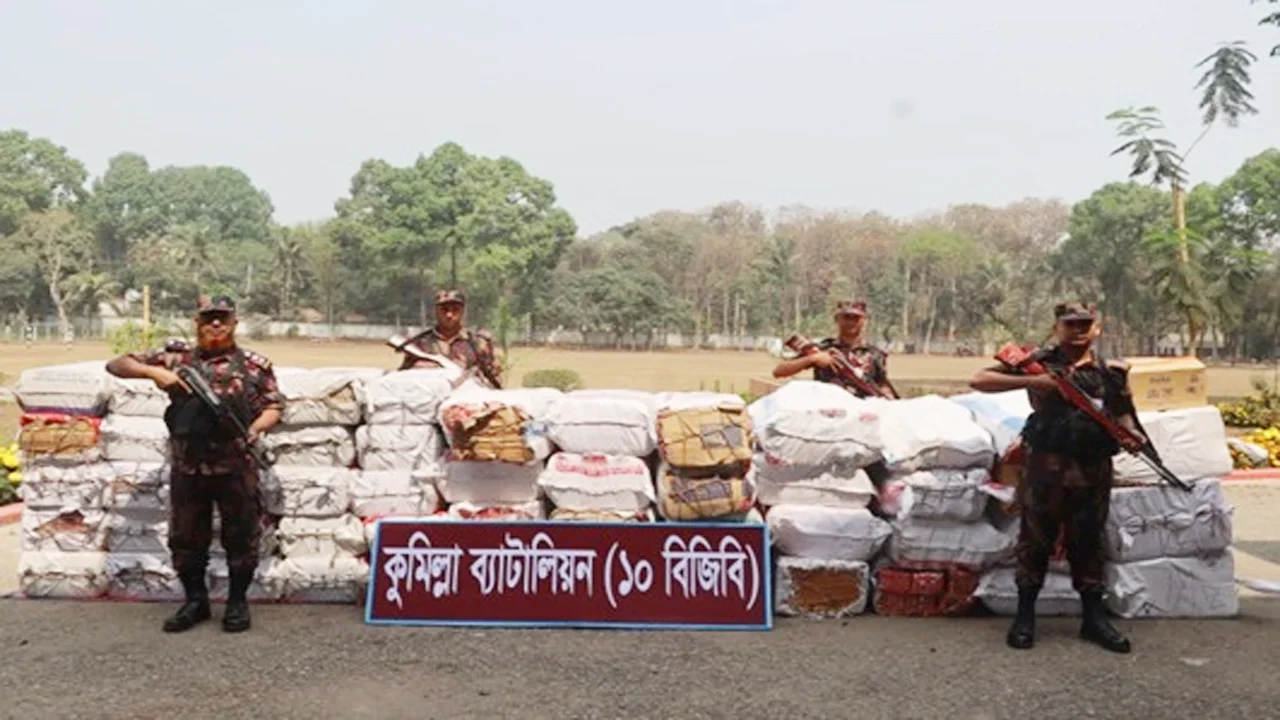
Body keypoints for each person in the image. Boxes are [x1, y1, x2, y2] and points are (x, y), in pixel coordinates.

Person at [969, 301, 1142, 654]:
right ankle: (1025, 617)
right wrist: (1037, 381)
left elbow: (1124, 413)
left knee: (1088, 541)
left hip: (1093, 468)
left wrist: (1131, 435)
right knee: (1036, 540)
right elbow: (979, 379)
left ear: (1097, 328)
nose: (1078, 330)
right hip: (1046, 467)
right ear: (1057, 327)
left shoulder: (1110, 371)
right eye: (1071, 323)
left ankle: (1093, 619)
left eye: (1085, 324)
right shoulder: (1040, 361)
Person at [106, 295, 282, 634]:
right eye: (208, 319)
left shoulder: (254, 366)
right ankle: (195, 602)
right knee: (187, 539)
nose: (215, 324)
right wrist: (154, 372)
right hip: (189, 468)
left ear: (234, 323)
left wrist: (255, 429)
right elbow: (116, 364)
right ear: (196, 323)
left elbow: (274, 405)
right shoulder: (176, 359)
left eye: (222, 318)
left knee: (242, 538)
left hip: (236, 466)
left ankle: (236, 603)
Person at [771, 300, 898, 399]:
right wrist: (812, 359)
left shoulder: (875, 354)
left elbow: (881, 383)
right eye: (846, 317)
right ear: (837, 319)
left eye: (855, 318)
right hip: (828, 416)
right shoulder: (823, 349)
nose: (851, 322)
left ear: (864, 321)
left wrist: (887, 397)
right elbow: (779, 371)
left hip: (862, 417)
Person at [393, 289, 503, 388]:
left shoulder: (477, 343)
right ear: (435, 311)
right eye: (444, 310)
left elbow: (494, 380)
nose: (449, 315)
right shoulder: (419, 344)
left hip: (467, 403)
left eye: (455, 310)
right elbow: (404, 379)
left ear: (463, 311)